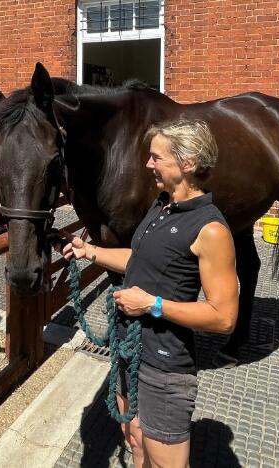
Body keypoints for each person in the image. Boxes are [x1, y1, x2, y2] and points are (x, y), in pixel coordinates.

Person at [62, 119, 238, 468]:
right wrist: (91, 252)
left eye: (156, 157)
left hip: (164, 365)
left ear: (187, 164)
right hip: (129, 348)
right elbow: (140, 260)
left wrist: (152, 305)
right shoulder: (162, 205)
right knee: (135, 442)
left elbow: (223, 317)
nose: (148, 164)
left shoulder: (211, 229)